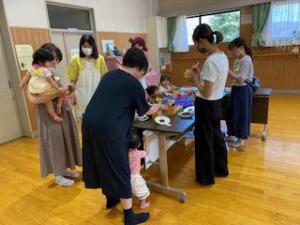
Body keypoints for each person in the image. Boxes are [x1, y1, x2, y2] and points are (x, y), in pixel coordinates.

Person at [82, 48, 161, 225]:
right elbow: (145, 112)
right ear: (140, 68)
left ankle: (111, 198)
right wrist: (155, 108)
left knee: (102, 162)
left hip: (89, 123)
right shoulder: (133, 83)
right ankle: (129, 216)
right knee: (120, 167)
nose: (142, 76)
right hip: (110, 129)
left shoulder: (109, 76)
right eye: (144, 72)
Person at [21, 43, 82, 187]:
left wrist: (68, 91)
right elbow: (33, 98)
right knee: (54, 143)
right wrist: (58, 93)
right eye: (53, 59)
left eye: (57, 59)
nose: (55, 62)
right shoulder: (35, 74)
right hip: (47, 113)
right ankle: (58, 175)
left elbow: (60, 91)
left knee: (66, 138)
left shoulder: (53, 72)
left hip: (62, 109)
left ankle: (65, 169)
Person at [186, 24, 229, 185]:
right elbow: (212, 86)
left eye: (197, 43)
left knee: (204, 142)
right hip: (217, 104)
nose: (198, 47)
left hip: (206, 105)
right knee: (217, 138)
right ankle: (221, 169)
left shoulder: (211, 62)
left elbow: (206, 92)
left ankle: (205, 178)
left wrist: (194, 79)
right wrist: (200, 76)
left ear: (203, 40)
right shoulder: (222, 56)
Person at [20, 48, 73, 123]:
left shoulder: (32, 68)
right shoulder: (46, 70)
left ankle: (54, 116)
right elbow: (51, 82)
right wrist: (58, 89)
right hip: (44, 88)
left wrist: (22, 83)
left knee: (48, 102)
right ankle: (59, 105)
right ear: (40, 61)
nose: (52, 63)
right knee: (61, 91)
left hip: (35, 89)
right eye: (49, 61)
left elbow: (26, 76)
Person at [67, 33, 108, 117]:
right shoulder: (75, 60)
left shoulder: (100, 59)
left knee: (98, 117)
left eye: (89, 46)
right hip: (81, 95)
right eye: (85, 46)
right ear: (81, 46)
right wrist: (72, 95)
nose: (87, 48)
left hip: (97, 93)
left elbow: (105, 77)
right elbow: (72, 81)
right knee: (85, 118)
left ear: (93, 46)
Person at [226, 38, 254, 149]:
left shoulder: (247, 60)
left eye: (234, 50)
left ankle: (241, 141)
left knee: (242, 114)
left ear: (241, 48)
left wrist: (227, 71)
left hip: (243, 90)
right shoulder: (237, 60)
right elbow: (235, 77)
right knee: (232, 113)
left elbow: (241, 80)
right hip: (236, 88)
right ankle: (232, 135)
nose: (232, 53)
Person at [128, 133, 150, 209]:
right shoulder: (138, 153)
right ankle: (143, 204)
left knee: (131, 189)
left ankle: (131, 200)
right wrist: (146, 141)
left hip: (126, 176)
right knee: (143, 191)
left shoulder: (125, 153)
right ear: (139, 144)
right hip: (135, 177)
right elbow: (147, 152)